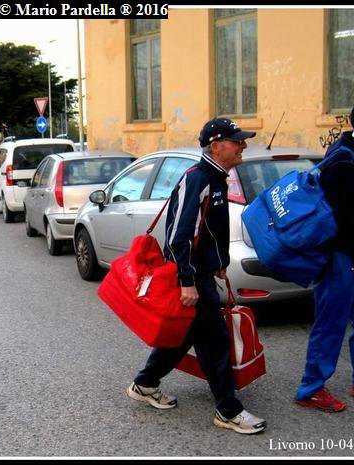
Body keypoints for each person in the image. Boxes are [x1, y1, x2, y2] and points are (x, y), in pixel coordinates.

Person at [126, 118, 267, 435]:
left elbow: (210, 229)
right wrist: (186, 281)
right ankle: (228, 411)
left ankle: (145, 383)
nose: (243, 146)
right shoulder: (197, 178)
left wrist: (220, 261)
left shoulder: (217, 178)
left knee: (184, 335)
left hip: (203, 271)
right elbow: (179, 235)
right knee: (215, 342)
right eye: (237, 141)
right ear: (216, 147)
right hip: (192, 275)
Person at [294, 96, 354, 412]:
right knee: (331, 322)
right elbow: (341, 215)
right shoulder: (345, 158)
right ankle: (311, 388)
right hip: (341, 256)